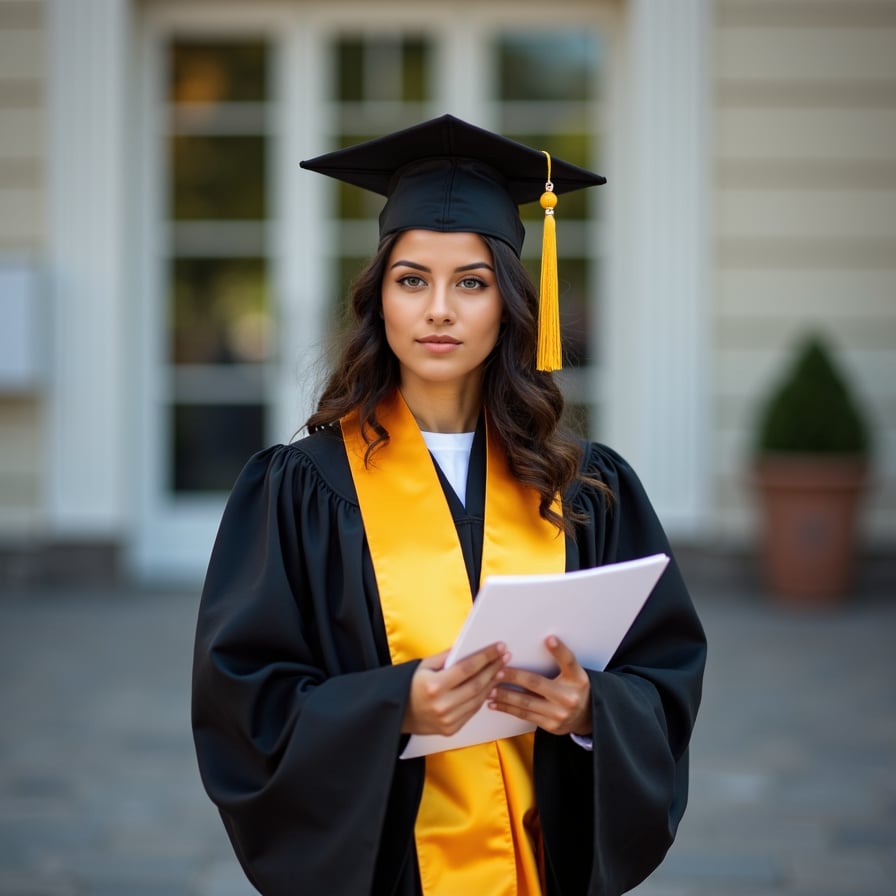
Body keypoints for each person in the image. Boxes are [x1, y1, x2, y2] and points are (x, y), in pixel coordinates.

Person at [191, 114, 706, 896]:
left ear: (508, 303)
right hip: (392, 869)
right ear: (380, 301)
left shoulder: (587, 487)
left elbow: (663, 672)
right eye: (412, 280)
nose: (439, 309)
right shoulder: (299, 489)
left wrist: (592, 710)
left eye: (471, 281)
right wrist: (393, 709)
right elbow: (242, 702)